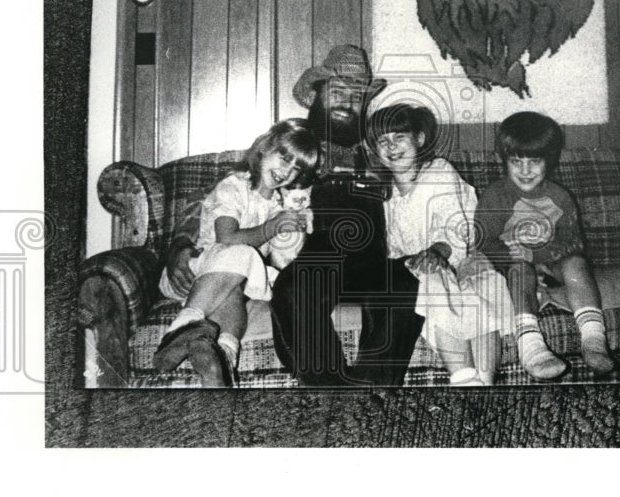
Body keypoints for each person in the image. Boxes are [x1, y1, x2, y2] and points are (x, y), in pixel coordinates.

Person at [163, 45, 425, 387]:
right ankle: (329, 388)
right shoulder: (293, 145)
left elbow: (421, 190)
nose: (347, 103)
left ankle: (371, 392)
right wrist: (180, 244)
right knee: (293, 288)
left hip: (371, 266)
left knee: (405, 283)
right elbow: (219, 193)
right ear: (316, 95)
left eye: (356, 97)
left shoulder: (380, 149)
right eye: (337, 92)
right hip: (316, 264)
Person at [153, 119, 318, 386]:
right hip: (199, 269)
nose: (286, 170)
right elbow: (226, 238)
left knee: (240, 290)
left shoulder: (280, 203)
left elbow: (281, 259)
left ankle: (224, 356)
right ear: (264, 148)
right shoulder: (235, 185)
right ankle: (181, 327)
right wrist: (272, 227)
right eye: (284, 157)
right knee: (242, 254)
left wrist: (293, 229)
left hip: (235, 281)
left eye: (296, 168)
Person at [368, 104, 512, 386]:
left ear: (419, 139)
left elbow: (455, 229)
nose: (392, 147)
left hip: (462, 258)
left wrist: (437, 252)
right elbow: (388, 251)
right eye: (382, 141)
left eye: (399, 137)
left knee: (478, 292)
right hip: (423, 272)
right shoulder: (381, 194)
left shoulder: (438, 171)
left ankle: (482, 384)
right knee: (432, 281)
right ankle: (466, 381)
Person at [475, 111, 615, 379]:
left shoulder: (560, 197)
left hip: (552, 269)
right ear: (504, 161)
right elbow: (482, 242)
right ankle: (532, 349)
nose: (525, 170)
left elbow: (574, 242)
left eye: (534, 161)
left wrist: (539, 254)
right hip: (512, 271)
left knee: (576, 264)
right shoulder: (494, 196)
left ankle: (594, 340)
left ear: (548, 162)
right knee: (521, 269)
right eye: (516, 161)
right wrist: (508, 253)